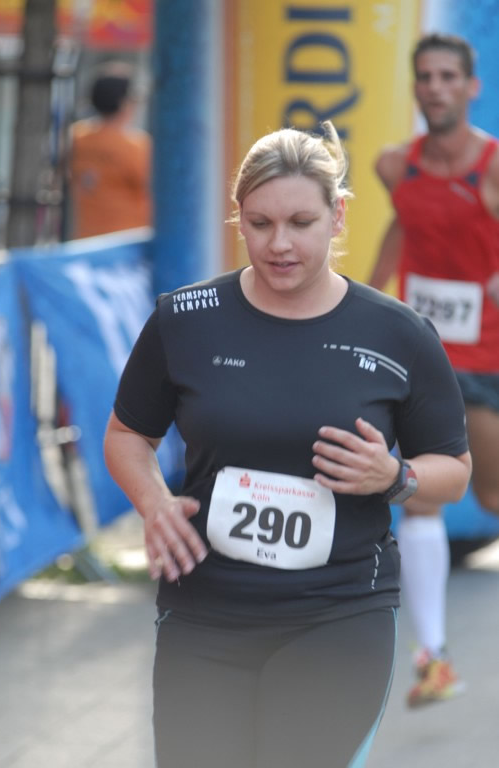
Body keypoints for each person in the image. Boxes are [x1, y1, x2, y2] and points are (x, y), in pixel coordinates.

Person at [104, 121, 471, 768]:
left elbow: (455, 471)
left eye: (301, 222)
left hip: (339, 615)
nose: (279, 244)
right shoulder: (184, 320)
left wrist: (394, 477)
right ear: (238, 217)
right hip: (204, 613)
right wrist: (154, 503)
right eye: (260, 223)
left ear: (338, 216)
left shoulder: (399, 335)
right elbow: (128, 434)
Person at [369, 32, 499, 708]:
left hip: (487, 356)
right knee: (417, 493)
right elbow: (403, 225)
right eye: (425, 76)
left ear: (471, 87)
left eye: (449, 76)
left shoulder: (492, 168)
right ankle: (434, 658)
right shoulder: (396, 165)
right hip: (424, 355)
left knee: (491, 496)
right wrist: (364, 296)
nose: (436, 87)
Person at [69, 61, 152, 239]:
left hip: (85, 238)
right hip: (128, 240)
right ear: (124, 103)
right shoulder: (136, 147)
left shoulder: (76, 137)